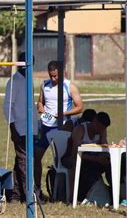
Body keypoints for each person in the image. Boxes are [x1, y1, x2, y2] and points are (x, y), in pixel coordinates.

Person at [34, 60, 83, 195]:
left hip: (63, 127)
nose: (53, 79)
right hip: (46, 126)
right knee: (36, 156)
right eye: (51, 76)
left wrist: (64, 113)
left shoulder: (70, 86)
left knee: (62, 160)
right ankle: (37, 190)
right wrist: (40, 108)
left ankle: (64, 191)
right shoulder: (44, 85)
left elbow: (79, 107)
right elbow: (40, 102)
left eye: (56, 76)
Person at [3, 52, 38, 202]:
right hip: (20, 129)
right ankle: (31, 194)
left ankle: (16, 194)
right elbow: (7, 107)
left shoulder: (28, 80)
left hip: (31, 128)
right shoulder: (14, 82)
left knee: (21, 162)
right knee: (25, 162)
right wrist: (13, 128)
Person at [68, 111, 111, 202]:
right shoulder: (80, 130)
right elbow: (75, 152)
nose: (101, 131)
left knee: (111, 166)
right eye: (99, 128)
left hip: (94, 160)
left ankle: (112, 193)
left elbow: (104, 146)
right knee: (76, 165)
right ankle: (73, 197)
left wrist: (106, 158)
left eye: (103, 129)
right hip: (77, 159)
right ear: (95, 121)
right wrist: (96, 159)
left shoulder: (102, 131)